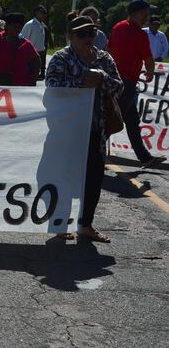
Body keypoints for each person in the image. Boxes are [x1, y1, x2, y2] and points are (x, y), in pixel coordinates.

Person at [46, 15, 123, 243]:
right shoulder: (61, 57)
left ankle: (86, 225)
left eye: (92, 33)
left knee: (94, 178)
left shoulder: (104, 58)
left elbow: (118, 87)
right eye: (82, 34)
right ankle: (60, 223)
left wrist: (102, 78)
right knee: (65, 177)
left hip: (96, 128)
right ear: (71, 36)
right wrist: (81, 81)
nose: (88, 38)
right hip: (67, 129)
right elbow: (52, 86)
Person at [109, 0, 166, 168]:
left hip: (113, 80)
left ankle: (145, 158)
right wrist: (149, 72)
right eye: (146, 12)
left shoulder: (117, 27)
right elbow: (148, 59)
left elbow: (108, 50)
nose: (148, 15)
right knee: (113, 119)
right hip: (127, 83)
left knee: (131, 120)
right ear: (141, 12)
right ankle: (89, 152)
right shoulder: (140, 34)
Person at [20, 5, 49, 79]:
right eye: (42, 12)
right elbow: (23, 39)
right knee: (28, 75)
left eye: (45, 13)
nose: (44, 15)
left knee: (34, 76)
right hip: (30, 54)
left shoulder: (42, 25)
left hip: (40, 53)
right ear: (36, 13)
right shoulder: (30, 24)